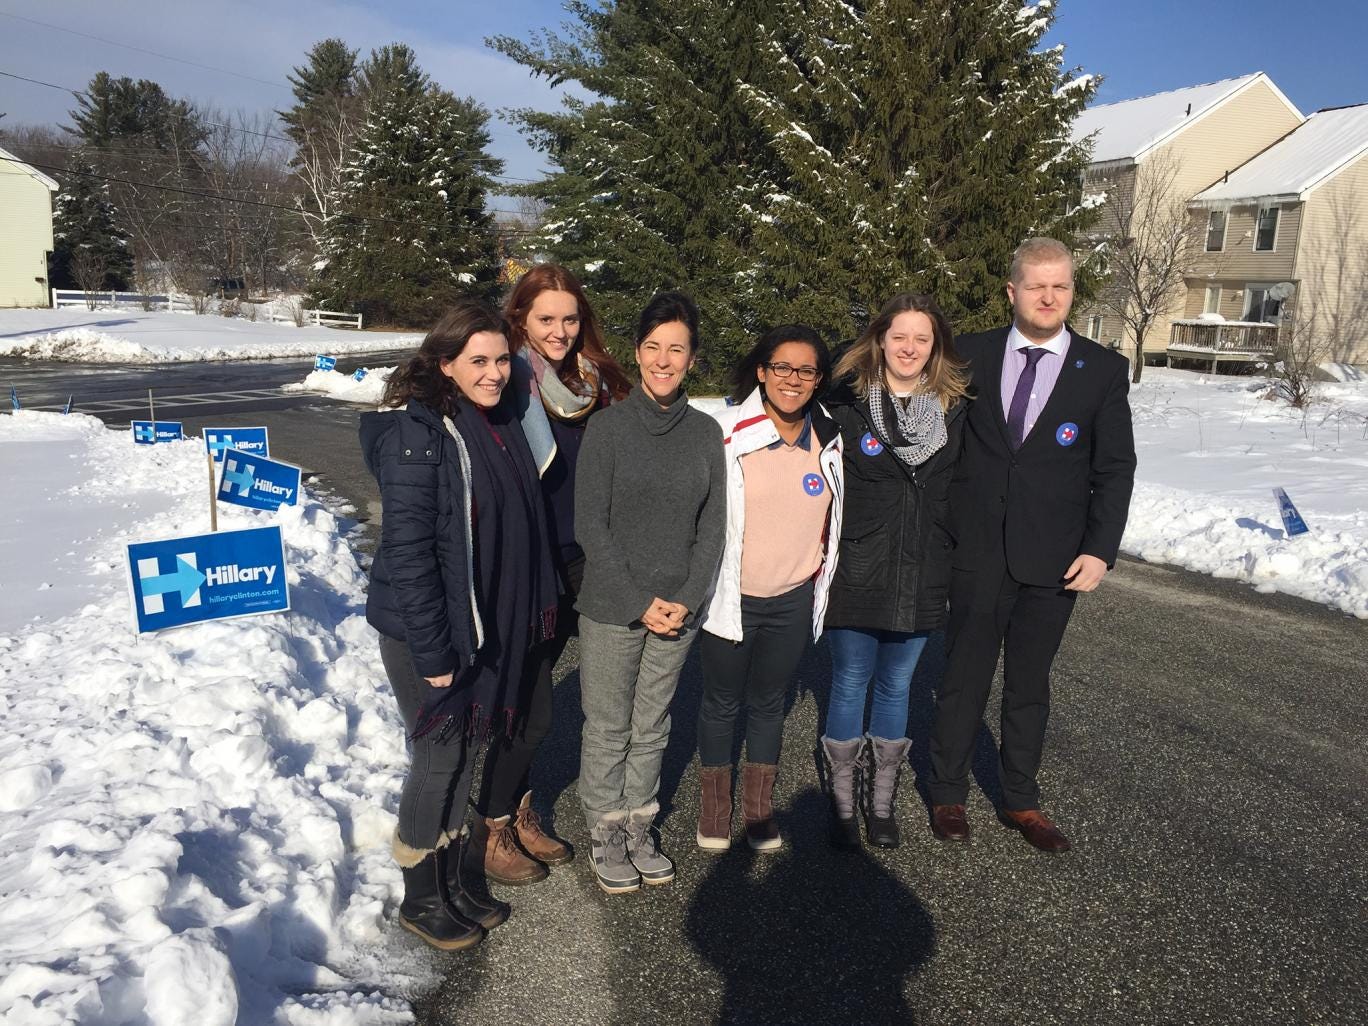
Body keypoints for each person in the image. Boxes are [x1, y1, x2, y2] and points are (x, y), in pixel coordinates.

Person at [360, 298, 559, 949]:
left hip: (473, 624)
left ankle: (449, 881)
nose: (495, 372)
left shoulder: (492, 424)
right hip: (429, 631)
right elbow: (410, 556)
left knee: (465, 755)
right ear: (444, 363)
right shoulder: (420, 435)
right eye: (479, 360)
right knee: (440, 758)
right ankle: (421, 897)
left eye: (502, 359)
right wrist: (434, 650)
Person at [926, 237, 1136, 853]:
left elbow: (1114, 468)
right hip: (978, 553)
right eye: (1037, 286)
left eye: (1062, 286)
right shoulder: (969, 356)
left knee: (1029, 683)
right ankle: (947, 792)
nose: (1050, 297)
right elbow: (940, 446)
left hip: (1054, 559)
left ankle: (1020, 798)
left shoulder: (1099, 369)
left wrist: (1100, 550)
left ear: (1072, 291)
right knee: (962, 678)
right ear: (1011, 291)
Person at [462, 265, 632, 887]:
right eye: (545, 319)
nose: (560, 331)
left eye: (569, 318)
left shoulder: (595, 382)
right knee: (527, 699)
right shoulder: (507, 383)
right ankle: (493, 824)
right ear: (520, 321)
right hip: (530, 561)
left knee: (547, 694)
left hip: (585, 555)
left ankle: (519, 806)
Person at [574, 290, 727, 894]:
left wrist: (686, 599)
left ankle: (640, 822)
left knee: (653, 723)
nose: (665, 360)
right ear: (637, 353)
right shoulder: (607, 429)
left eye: (678, 350)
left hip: (679, 610)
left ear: (692, 359)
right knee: (609, 724)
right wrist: (642, 601)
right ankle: (605, 827)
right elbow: (591, 524)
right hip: (616, 607)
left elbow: (712, 525)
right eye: (654, 347)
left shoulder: (705, 433)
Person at [819, 293, 970, 850]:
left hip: (923, 571)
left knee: (896, 684)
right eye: (898, 336)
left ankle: (880, 803)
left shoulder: (956, 410)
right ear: (880, 340)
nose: (909, 348)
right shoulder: (845, 407)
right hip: (858, 568)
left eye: (921, 338)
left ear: (936, 349)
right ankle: (840, 802)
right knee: (850, 681)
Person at [696, 325, 843, 852]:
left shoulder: (829, 441)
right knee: (720, 703)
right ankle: (715, 807)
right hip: (731, 598)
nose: (793, 379)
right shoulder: (725, 433)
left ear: (819, 379)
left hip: (791, 600)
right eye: (782, 367)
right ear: (761, 371)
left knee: (768, 702)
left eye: (807, 370)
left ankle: (758, 808)